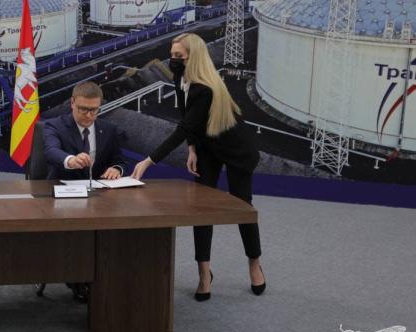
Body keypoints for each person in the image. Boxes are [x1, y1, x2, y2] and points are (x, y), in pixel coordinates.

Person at [131, 33, 265, 302]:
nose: (173, 60)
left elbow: (181, 129)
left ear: (194, 57)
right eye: (172, 55)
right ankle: (204, 274)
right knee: (201, 210)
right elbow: (187, 118)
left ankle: (254, 263)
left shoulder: (205, 88)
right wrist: (192, 149)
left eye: (179, 56)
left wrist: (148, 161)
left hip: (236, 149)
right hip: (206, 146)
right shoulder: (180, 78)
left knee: (243, 208)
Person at [43, 81, 127, 302]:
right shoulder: (54, 125)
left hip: (98, 197)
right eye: (83, 109)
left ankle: (105, 276)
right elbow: (51, 151)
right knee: (78, 232)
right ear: (72, 103)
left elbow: (120, 161)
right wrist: (70, 160)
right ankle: (78, 278)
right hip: (62, 195)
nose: (89, 115)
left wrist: (116, 169)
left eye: (94, 110)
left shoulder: (109, 129)